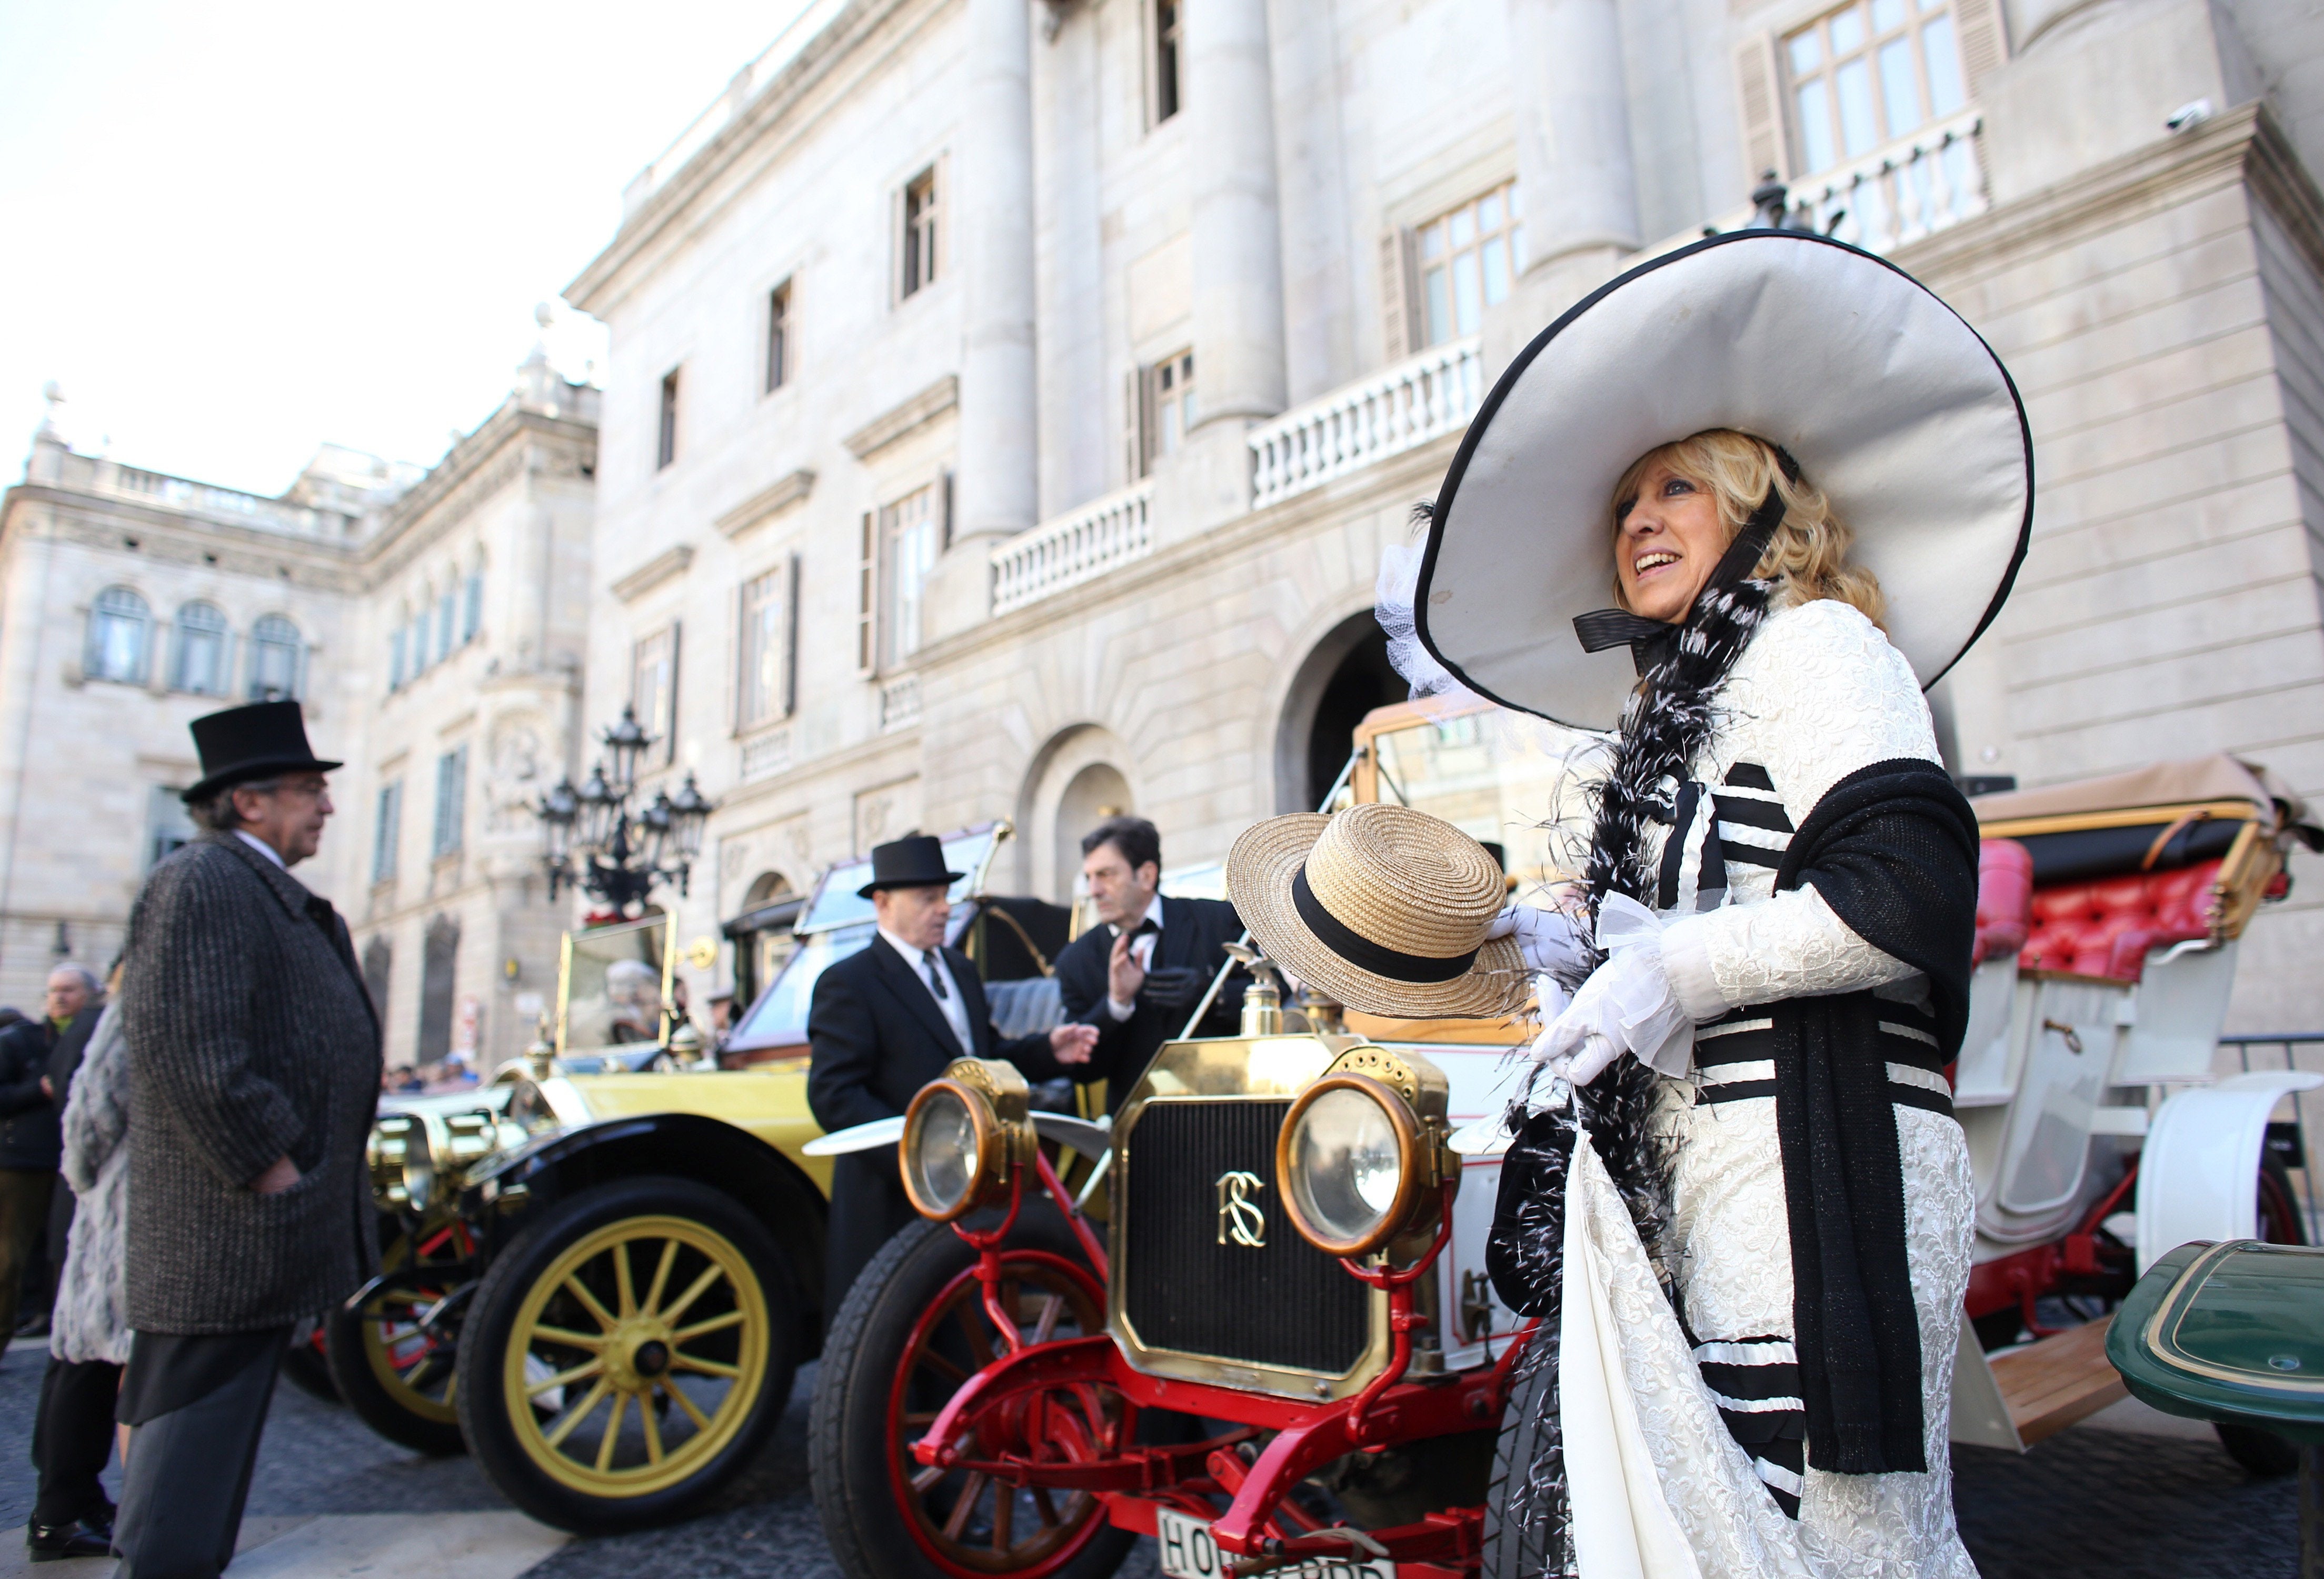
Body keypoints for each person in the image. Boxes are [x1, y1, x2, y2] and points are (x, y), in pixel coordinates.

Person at [1280, 232, 2029, 1574]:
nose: (1632, 521)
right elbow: (1700, 918)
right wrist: (1562, 947)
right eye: (1622, 501)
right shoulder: (1676, 706)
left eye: (1673, 486)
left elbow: (1901, 891)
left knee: (1830, 1544)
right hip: (1706, 1176)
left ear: (1760, 505)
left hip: (1815, 1171)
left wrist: (1669, 975)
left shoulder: (1816, 644)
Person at [114, 699, 382, 1579]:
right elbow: (192, 1052)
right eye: (309, 789)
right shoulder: (206, 881)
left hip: (249, 1233)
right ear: (249, 802)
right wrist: (276, 1176)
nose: (327, 806)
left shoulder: (259, 887)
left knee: (212, 1457)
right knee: (186, 1465)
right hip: (223, 1234)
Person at [807, 835, 1099, 1322]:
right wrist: (921, 1156)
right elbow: (833, 1096)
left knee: (959, 1333)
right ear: (883, 903)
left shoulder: (961, 970)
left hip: (965, 1190)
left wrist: (1050, 1049)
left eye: (945, 896)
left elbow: (986, 1058)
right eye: (928, 899)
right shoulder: (850, 982)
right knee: (895, 1344)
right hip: (891, 1202)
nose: (945, 909)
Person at [27, 970, 132, 1562]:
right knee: (83, 1362)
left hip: (88, 1208)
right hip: (100, 1211)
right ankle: (60, 1512)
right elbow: (88, 1118)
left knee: (80, 1361)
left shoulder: (92, 1021)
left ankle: (72, 1501)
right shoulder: (106, 1020)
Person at [1051, 817, 1242, 1101]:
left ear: (1147, 876)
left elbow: (1278, 993)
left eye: (1106, 874)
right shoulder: (1075, 962)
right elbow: (1082, 1071)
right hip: (1136, 1126)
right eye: (1089, 877)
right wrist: (1115, 1005)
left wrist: (1216, 995)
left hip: (1225, 1110)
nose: (1094, 890)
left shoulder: (1218, 921)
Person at [0, 964, 95, 1344]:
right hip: (22, 1163)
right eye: (54, 990)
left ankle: (44, 1315)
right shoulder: (20, 1041)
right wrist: (36, 1091)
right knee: (9, 1258)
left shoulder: (94, 1038)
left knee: (51, 1255)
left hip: (72, 1163)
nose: (59, 997)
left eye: (69, 990)